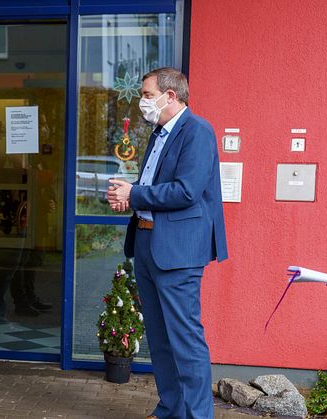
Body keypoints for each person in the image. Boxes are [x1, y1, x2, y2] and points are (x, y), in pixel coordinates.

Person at [106, 67, 228, 419]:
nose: (142, 102)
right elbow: (155, 186)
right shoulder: (159, 132)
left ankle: (197, 415)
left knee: (185, 340)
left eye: (146, 95)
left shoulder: (198, 131)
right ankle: (170, 408)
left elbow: (187, 191)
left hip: (177, 251)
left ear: (170, 96)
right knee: (160, 340)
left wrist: (136, 193)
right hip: (146, 243)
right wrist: (128, 196)